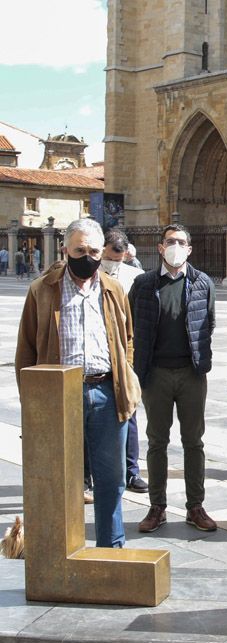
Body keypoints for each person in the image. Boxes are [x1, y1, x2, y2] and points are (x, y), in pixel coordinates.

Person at [15, 218, 140, 547]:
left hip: (106, 391)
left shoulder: (113, 290)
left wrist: (123, 370)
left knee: (111, 478)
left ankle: (110, 548)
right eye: (80, 250)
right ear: (65, 250)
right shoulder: (43, 290)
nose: (88, 256)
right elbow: (26, 350)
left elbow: (127, 338)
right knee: (61, 477)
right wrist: (32, 403)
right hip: (59, 393)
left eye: (94, 251)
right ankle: (60, 551)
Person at [130, 224, 218, 534]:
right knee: (157, 441)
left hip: (191, 374)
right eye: (170, 241)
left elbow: (208, 323)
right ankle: (157, 507)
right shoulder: (142, 284)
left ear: (190, 249)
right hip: (155, 375)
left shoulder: (202, 282)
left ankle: (195, 505)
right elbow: (132, 328)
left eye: (181, 242)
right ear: (159, 247)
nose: (175, 246)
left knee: (193, 441)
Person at [98, 228, 149, 494]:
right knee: (88, 417)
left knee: (128, 412)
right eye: (108, 258)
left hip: (125, 354)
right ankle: (87, 476)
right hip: (95, 355)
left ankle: (132, 471)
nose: (112, 264)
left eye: (117, 259)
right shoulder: (89, 274)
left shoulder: (135, 277)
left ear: (126, 255)